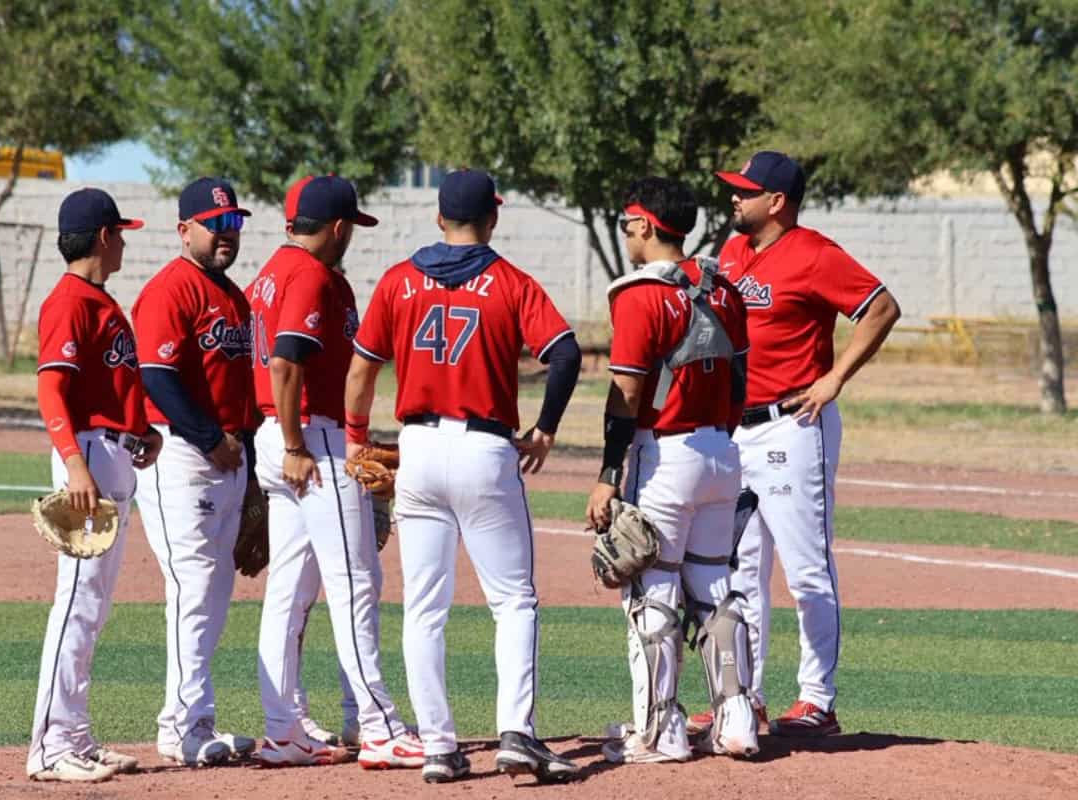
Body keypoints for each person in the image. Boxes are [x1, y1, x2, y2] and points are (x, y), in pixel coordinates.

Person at [344, 169, 583, 784]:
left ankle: (440, 748)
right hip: (484, 451)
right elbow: (565, 354)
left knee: (424, 607)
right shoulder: (508, 282)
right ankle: (516, 734)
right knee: (514, 601)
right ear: (493, 218)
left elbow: (361, 372)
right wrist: (546, 427)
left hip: (418, 449)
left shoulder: (399, 281)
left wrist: (352, 439)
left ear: (438, 217)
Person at [692, 151, 900, 737]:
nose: (734, 198)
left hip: (793, 424)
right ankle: (745, 699)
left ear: (776, 201)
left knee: (807, 570)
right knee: (743, 571)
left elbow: (881, 307)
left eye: (745, 191)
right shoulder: (734, 251)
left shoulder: (814, 254)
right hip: (738, 426)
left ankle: (817, 700)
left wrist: (835, 379)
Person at [246, 175, 420, 769]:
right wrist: (298, 444)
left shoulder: (272, 270)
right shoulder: (312, 276)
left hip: (285, 436)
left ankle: (284, 728)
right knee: (355, 581)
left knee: (289, 591)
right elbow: (285, 362)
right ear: (340, 227)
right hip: (309, 438)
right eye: (352, 228)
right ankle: (377, 727)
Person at [584, 177, 755, 764]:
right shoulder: (724, 289)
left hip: (666, 457)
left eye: (629, 223)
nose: (627, 233)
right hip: (720, 453)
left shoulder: (639, 295)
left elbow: (627, 391)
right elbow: (739, 379)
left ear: (649, 225)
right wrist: (722, 439)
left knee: (652, 591)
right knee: (714, 591)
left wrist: (609, 472)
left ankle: (662, 731)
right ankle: (737, 721)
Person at [27, 188, 162, 782]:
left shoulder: (97, 300)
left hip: (110, 455)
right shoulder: (70, 301)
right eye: (121, 232)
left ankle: (75, 735)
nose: (125, 240)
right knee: (77, 603)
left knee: (95, 606)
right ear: (103, 237)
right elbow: (52, 389)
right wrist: (75, 465)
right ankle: (51, 748)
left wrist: (142, 432)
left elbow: (111, 387)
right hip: (86, 456)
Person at [132, 177, 258, 766]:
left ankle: (192, 721)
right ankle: (181, 727)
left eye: (233, 222)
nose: (227, 233)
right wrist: (211, 440)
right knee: (194, 588)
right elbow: (156, 377)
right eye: (216, 224)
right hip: (183, 455)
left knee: (213, 591)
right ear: (185, 229)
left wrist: (248, 463)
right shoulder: (169, 290)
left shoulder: (233, 296)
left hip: (228, 457)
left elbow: (241, 387)